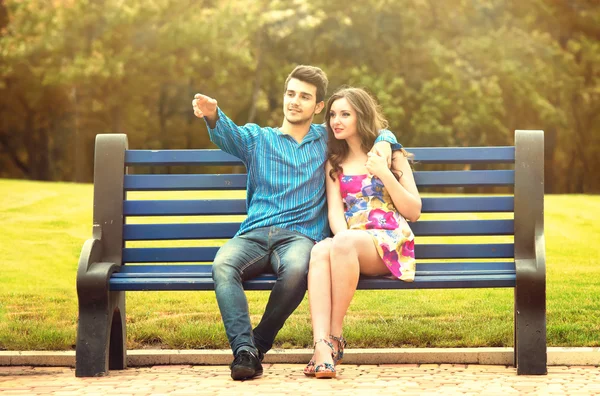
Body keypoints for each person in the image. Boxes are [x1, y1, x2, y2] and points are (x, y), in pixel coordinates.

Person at [191, 66, 400, 380]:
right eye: (291, 94)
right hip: (254, 233)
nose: (295, 101)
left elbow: (368, 126)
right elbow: (227, 131)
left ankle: (257, 344)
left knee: (295, 273)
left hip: (299, 237)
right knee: (222, 265)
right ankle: (245, 349)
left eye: (305, 97)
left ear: (318, 107)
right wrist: (212, 114)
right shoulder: (257, 139)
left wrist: (385, 140)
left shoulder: (326, 140)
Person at [303, 87, 422, 379]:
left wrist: (382, 171)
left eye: (345, 114)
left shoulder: (390, 156)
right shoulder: (334, 161)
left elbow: (414, 210)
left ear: (362, 116)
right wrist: (339, 244)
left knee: (339, 244)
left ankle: (335, 336)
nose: (336, 121)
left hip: (390, 243)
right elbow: (334, 213)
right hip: (351, 246)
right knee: (320, 250)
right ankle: (320, 347)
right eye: (332, 114)